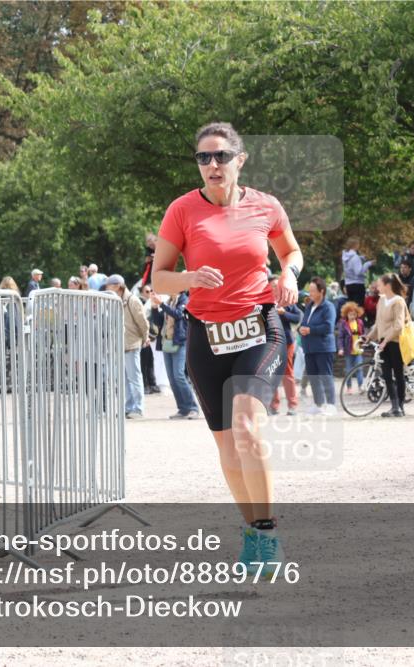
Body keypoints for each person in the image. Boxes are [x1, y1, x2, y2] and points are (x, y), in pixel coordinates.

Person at [151, 121, 302, 572]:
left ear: (240, 160)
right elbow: (159, 276)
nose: (212, 165)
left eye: (220, 156)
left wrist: (288, 274)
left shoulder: (265, 206)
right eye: (203, 158)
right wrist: (189, 278)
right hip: (206, 336)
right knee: (226, 446)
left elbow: (290, 251)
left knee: (247, 427)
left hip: (258, 327)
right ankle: (254, 533)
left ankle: (269, 533)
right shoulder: (181, 210)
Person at [149, 290, 199, 419]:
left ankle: (193, 407)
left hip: (180, 342)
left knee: (179, 375)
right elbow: (160, 322)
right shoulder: (169, 301)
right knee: (172, 378)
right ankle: (183, 409)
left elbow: (178, 315)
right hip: (167, 342)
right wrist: (155, 308)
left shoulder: (184, 300)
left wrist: (161, 304)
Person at [104, 274, 149, 418]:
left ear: (117, 286)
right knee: (124, 379)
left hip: (132, 343)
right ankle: (129, 407)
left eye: (109, 285)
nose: (107, 288)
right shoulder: (115, 300)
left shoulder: (132, 300)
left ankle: (138, 408)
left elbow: (143, 322)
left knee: (134, 378)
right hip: (120, 344)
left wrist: (144, 338)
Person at [365, 274, 408, 418]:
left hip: (395, 343)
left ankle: (400, 406)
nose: (377, 287)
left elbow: (398, 326)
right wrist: (369, 336)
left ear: (387, 285)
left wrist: (385, 341)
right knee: (387, 375)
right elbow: (379, 324)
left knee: (398, 374)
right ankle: (394, 406)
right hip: (383, 343)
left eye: (379, 285)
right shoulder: (381, 301)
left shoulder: (399, 302)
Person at [300, 277, 338, 416]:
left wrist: (310, 330)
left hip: (323, 347)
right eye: (309, 290)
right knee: (313, 377)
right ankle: (318, 404)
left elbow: (328, 326)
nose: (310, 293)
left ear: (321, 291)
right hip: (309, 347)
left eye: (312, 290)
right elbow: (304, 322)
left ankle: (331, 405)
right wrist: (301, 328)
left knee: (325, 376)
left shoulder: (328, 307)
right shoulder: (309, 306)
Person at [267, 274, 302, 416]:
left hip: (286, 341)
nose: (275, 288)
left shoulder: (286, 300)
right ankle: (273, 406)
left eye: (277, 285)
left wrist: (284, 313)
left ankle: (292, 406)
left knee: (287, 373)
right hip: (269, 343)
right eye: (273, 286)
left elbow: (298, 317)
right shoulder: (264, 302)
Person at [337, 301, 366, 396]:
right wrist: (340, 348)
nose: (352, 316)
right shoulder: (343, 324)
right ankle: (349, 387)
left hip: (358, 350)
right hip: (348, 350)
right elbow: (340, 337)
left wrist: (364, 341)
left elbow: (363, 334)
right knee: (349, 369)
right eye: (350, 314)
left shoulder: (360, 322)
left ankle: (360, 386)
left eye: (354, 314)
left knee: (359, 369)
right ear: (346, 314)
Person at [138, 283, 161, 395]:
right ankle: (145, 384)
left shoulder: (153, 302)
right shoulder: (140, 302)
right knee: (143, 361)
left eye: (151, 291)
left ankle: (152, 383)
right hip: (143, 335)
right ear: (142, 293)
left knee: (151, 360)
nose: (150, 293)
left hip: (153, 335)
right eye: (147, 291)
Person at [342, 237, 375, 306]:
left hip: (348, 284)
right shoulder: (355, 257)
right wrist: (368, 263)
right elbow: (358, 272)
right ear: (355, 245)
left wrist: (361, 258)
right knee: (358, 308)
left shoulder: (345, 257)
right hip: (358, 284)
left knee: (351, 307)